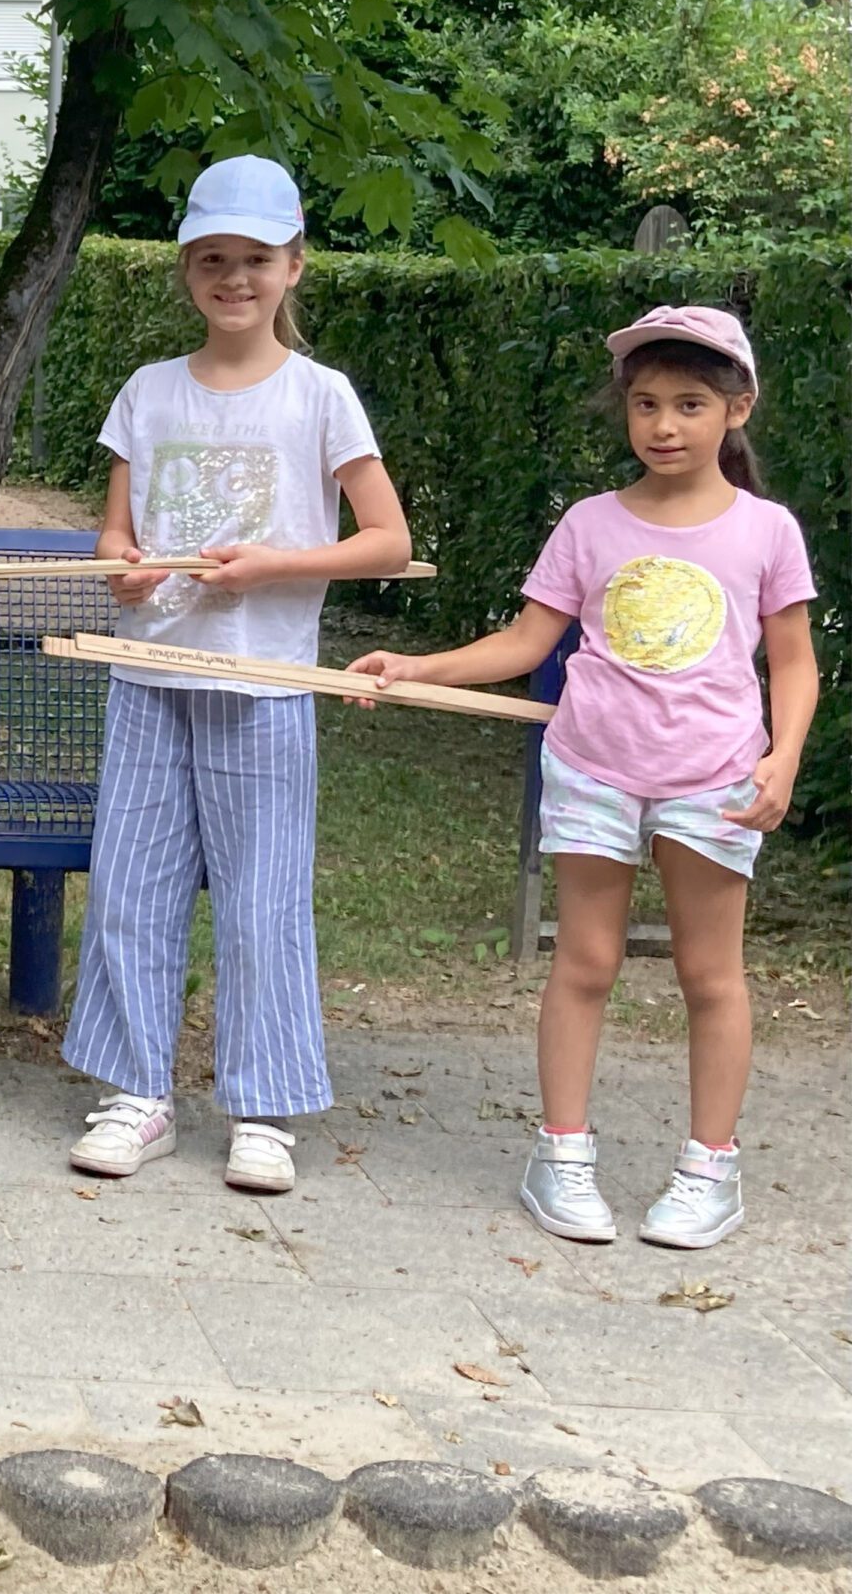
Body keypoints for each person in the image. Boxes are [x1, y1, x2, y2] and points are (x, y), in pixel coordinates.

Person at [349, 307, 815, 1250]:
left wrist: (782, 760)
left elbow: (796, 665)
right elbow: (527, 642)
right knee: (586, 962)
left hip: (715, 779)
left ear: (738, 409)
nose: (665, 425)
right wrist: (415, 666)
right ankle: (560, 1156)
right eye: (646, 404)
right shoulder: (590, 523)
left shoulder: (767, 530)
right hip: (593, 770)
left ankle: (710, 1169)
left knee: (709, 973)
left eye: (690, 403)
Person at [63, 155, 412, 1195]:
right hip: (149, 675)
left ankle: (261, 1108)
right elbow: (115, 534)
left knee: (264, 900)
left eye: (255, 259)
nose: (234, 279)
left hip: (267, 686)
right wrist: (119, 570)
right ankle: (135, 1093)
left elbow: (388, 542)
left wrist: (277, 566)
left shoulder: (322, 397)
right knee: (132, 885)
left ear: (294, 266)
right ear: (186, 269)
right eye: (213, 259)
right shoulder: (147, 392)